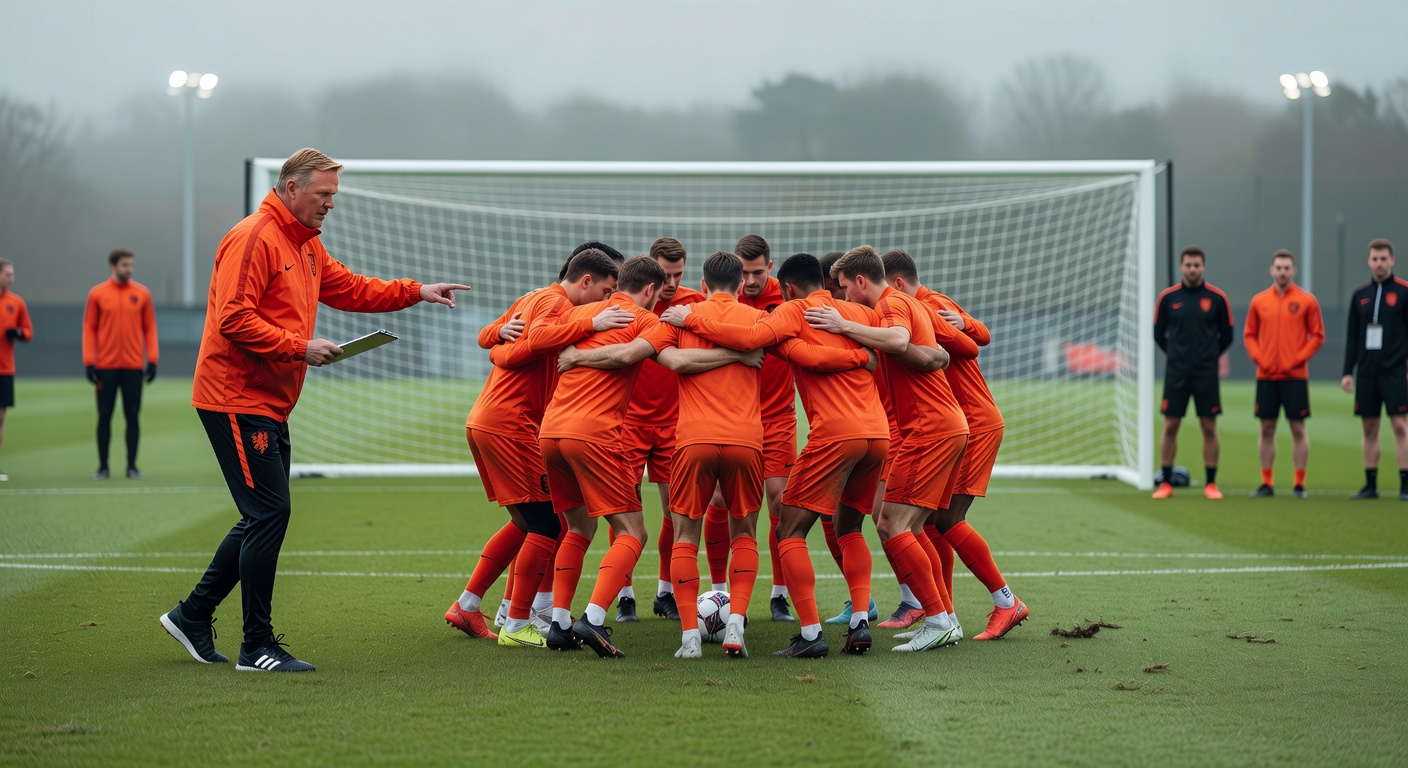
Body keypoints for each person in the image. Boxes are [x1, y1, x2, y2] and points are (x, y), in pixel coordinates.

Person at [157, 148, 470, 672]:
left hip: (270, 399)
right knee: (269, 513)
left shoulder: (305, 246)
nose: (330, 204)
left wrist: (417, 291)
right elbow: (232, 319)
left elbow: (349, 288)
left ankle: (193, 614)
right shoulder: (254, 236)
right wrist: (298, 346)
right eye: (323, 194)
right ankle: (255, 646)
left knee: (262, 513)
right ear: (290, 187)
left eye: (333, 196)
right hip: (235, 396)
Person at [664, 252, 944, 657]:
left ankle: (811, 635)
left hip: (833, 433)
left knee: (789, 531)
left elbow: (748, 340)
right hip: (877, 434)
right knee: (848, 527)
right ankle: (861, 620)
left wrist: (689, 319)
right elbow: (876, 353)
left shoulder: (792, 311)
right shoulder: (859, 314)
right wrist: (855, 357)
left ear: (789, 287)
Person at [446, 248, 627, 649]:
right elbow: (536, 338)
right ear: (585, 281)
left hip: (493, 420)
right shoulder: (553, 303)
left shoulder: (532, 297)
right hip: (510, 425)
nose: (605, 300)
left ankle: (472, 604)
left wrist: (499, 341)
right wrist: (592, 323)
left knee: (530, 522)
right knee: (548, 524)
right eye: (605, 290)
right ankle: (516, 623)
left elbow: (488, 336)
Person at [807, 245, 968, 653]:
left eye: (845, 290)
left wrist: (841, 325)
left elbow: (897, 340)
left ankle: (936, 619)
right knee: (911, 527)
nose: (843, 299)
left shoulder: (893, 303)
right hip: (938, 426)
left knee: (891, 525)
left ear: (861, 282)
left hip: (930, 429)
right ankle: (944, 618)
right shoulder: (900, 304)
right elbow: (924, 353)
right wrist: (932, 355)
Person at [881, 248, 1029, 641]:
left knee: (944, 520)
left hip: (973, 422)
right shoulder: (921, 306)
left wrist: (961, 322)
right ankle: (943, 613)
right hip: (962, 422)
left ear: (897, 284)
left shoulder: (928, 304)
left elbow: (977, 341)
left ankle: (1004, 602)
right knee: (929, 522)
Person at [616, 236, 704, 623]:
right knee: (625, 508)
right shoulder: (629, 306)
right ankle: (624, 595)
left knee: (676, 511)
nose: (671, 283)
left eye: (678, 274)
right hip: (629, 422)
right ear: (651, 273)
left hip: (674, 424)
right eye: (665, 275)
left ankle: (665, 591)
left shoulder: (693, 305)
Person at [1152, 246, 1234, 500]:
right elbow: (1158, 334)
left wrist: (1207, 357)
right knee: (1171, 425)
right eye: (1188, 265)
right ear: (1181, 266)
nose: (1192, 269)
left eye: (1197, 265)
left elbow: (1227, 335)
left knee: (1209, 426)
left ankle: (1211, 484)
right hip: (1176, 372)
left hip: (1205, 373)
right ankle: (1165, 483)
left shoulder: (1217, 298)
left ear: (1204, 266)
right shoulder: (1167, 298)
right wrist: (1177, 355)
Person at [1244, 250, 1324, 499]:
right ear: (1271, 270)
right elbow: (1249, 334)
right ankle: (1266, 482)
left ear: (1294, 270)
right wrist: (1260, 358)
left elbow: (1317, 336)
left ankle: (1299, 483)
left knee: (1298, 428)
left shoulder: (1307, 300)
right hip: (1266, 376)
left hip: (1295, 377)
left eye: (1287, 268)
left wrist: (1295, 359)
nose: (1282, 272)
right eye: (1278, 267)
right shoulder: (1259, 301)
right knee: (1267, 427)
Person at [83, 247, 159, 481]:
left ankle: (132, 466)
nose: (130, 269)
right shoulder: (97, 294)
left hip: (133, 367)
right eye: (125, 265)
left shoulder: (142, 293)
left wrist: (153, 360)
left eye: (131, 265)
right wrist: (89, 361)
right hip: (105, 367)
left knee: (132, 416)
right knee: (104, 416)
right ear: (113, 266)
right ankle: (103, 467)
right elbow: (89, 328)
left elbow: (149, 327)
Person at [1342, 239, 1408, 500]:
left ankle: (1405, 483)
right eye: (1374, 259)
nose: (1379, 264)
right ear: (1368, 261)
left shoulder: (1403, 292)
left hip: (1394, 371)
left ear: (1392, 260)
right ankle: (1370, 485)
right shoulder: (1360, 296)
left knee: (1399, 426)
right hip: (1367, 373)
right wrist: (1348, 372)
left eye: (1383, 259)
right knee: (1369, 427)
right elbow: (1353, 337)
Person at [0, 259, 34, 483]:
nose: (12, 279)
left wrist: (19, 333)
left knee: (0, 418)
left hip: (5, 369)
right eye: (8, 274)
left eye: (12, 275)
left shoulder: (16, 302)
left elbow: (29, 331)